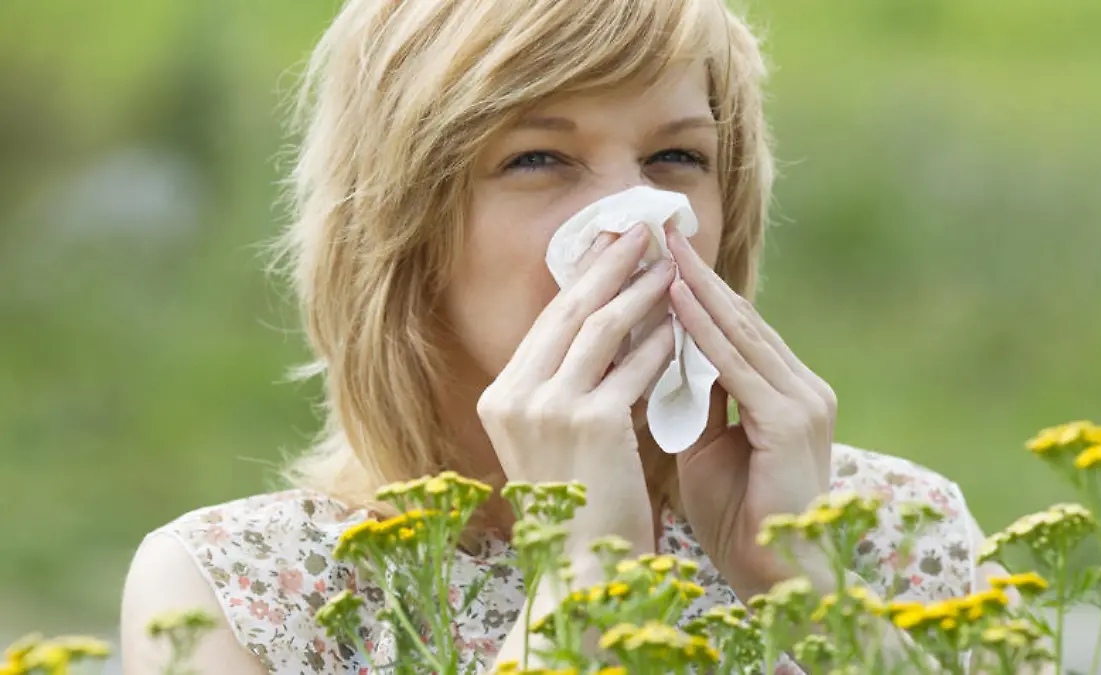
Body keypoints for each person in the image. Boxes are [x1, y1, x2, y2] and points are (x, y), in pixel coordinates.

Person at [120, 0, 1011, 673]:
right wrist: (580, 580)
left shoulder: (896, 530)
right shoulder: (240, 592)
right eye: (538, 159)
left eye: (677, 159)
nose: (638, 225)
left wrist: (814, 599)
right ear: (404, 229)